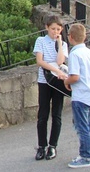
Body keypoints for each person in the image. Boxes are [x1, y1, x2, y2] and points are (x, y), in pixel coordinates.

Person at [33, 14, 69, 161]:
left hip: (57, 82)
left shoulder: (63, 44)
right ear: (47, 28)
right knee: (43, 114)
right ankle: (41, 145)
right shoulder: (40, 40)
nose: (55, 32)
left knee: (57, 114)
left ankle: (53, 146)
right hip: (44, 80)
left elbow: (60, 61)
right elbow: (40, 61)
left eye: (58, 29)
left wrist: (60, 43)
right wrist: (56, 70)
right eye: (53, 29)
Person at [64, 23, 90, 169]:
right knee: (89, 126)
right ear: (84, 37)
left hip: (80, 95)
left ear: (70, 38)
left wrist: (66, 80)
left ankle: (86, 156)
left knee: (82, 126)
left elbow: (75, 76)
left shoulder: (74, 54)